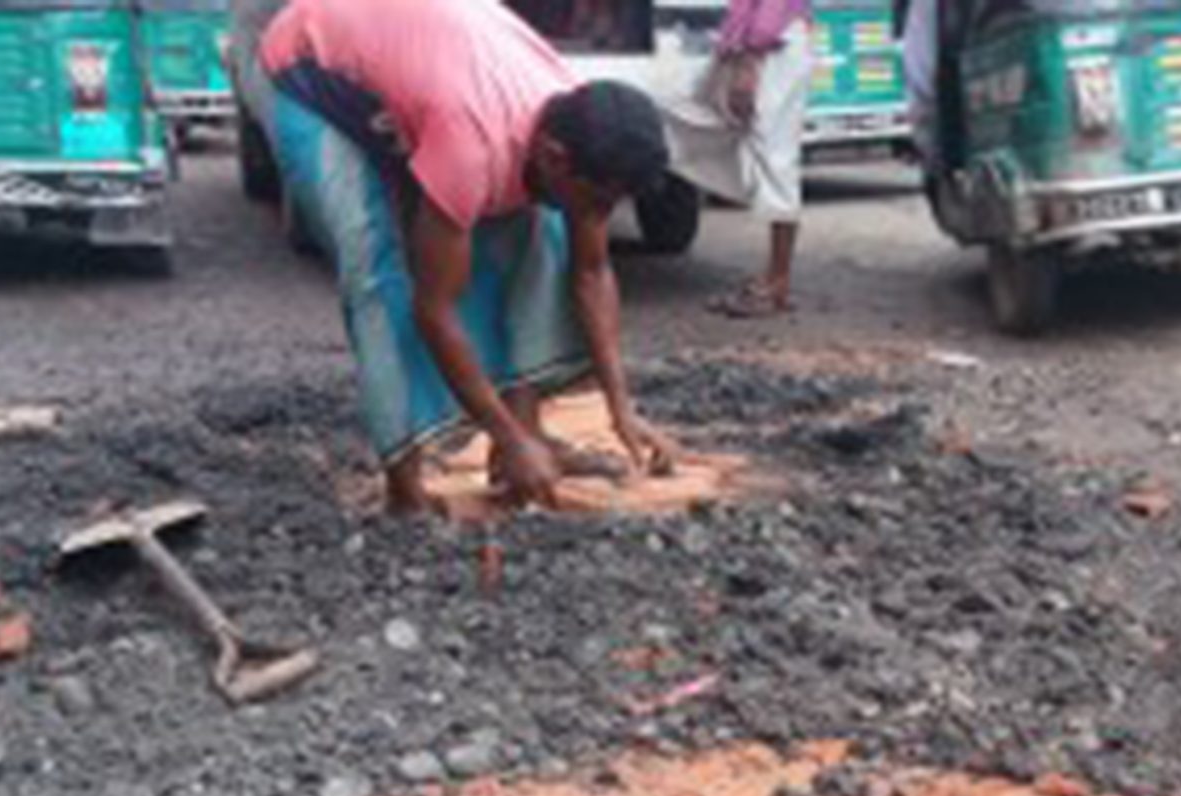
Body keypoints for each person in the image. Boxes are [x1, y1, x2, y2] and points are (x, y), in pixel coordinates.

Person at [260, 0, 683, 513]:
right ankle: (406, 487)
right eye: (598, 200)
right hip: (312, 70)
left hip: (431, 64)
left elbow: (591, 271)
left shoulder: (575, 119)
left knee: (543, 241)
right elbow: (434, 310)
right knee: (376, 269)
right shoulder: (471, 144)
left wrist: (622, 408)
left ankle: (525, 441)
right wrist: (502, 434)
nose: (600, 215)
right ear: (553, 157)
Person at [662, 0, 815, 317]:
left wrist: (749, 60)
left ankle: (778, 282)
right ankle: (774, 278)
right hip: (752, 45)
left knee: (774, 157)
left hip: (771, 46)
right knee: (695, 114)